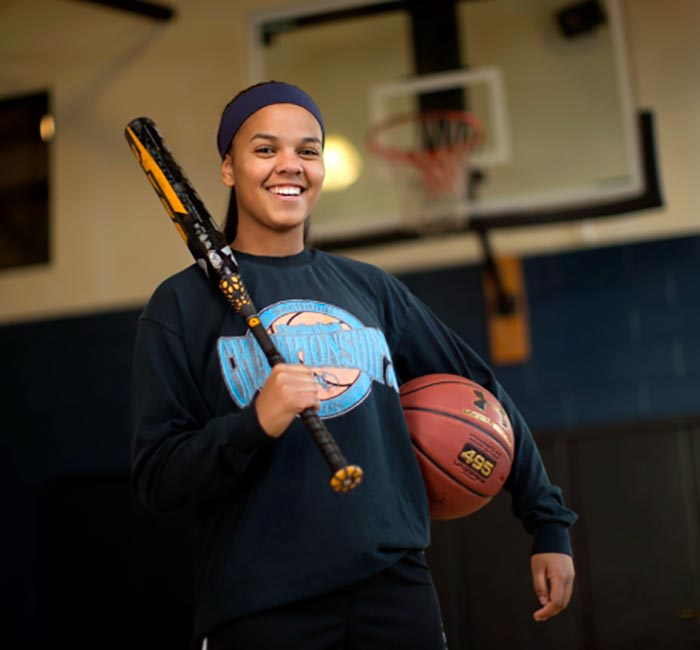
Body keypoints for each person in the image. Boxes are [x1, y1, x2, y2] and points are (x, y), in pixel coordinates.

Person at [131, 81, 577, 650]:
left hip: (394, 587)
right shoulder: (181, 305)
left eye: (307, 150)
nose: (289, 165)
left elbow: (481, 392)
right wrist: (254, 424)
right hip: (259, 602)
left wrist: (547, 522)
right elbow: (156, 477)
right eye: (265, 149)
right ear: (228, 168)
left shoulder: (370, 290)